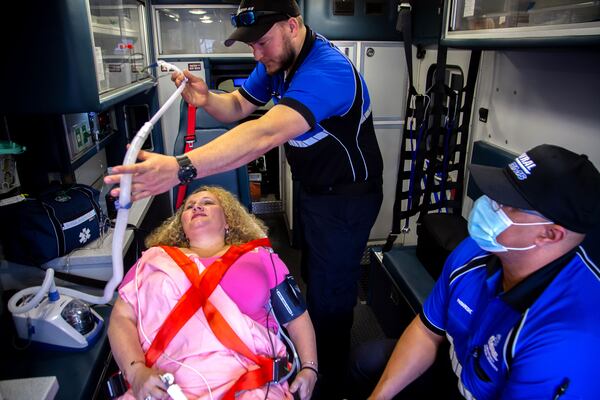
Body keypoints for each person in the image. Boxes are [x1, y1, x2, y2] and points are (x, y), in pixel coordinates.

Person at [104, 0, 384, 395]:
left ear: (292, 25)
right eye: (250, 45)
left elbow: (264, 134)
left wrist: (180, 167)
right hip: (314, 189)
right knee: (312, 276)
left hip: (347, 200)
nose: (256, 53)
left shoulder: (328, 71)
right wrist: (207, 99)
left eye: (262, 42)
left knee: (331, 296)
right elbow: (237, 105)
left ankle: (328, 382)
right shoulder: (278, 59)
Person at [368, 144, 600, 399]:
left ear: (549, 234)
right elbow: (427, 330)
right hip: (456, 371)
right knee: (366, 361)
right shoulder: (474, 250)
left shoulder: (566, 344)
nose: (487, 205)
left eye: (507, 203)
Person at [108, 186, 318, 400]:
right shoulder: (154, 260)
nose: (197, 206)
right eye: (189, 207)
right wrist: (135, 372)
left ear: (228, 220)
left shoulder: (261, 257)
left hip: (250, 384)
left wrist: (310, 368)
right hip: (163, 386)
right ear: (182, 227)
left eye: (208, 203)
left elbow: (297, 317)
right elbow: (121, 318)